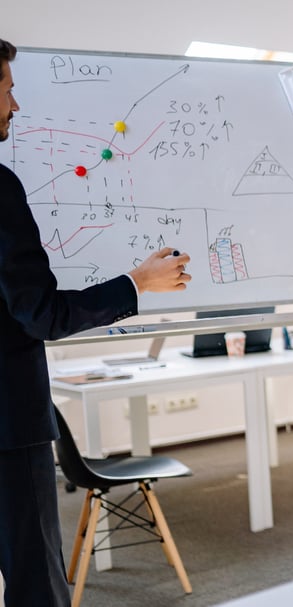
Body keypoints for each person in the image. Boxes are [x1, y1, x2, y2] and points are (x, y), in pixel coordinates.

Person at [0, 38, 192, 607]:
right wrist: (138, 283)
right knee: (36, 582)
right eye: (7, 91)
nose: (14, 106)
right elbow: (41, 313)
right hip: (8, 427)